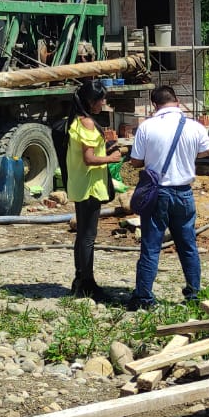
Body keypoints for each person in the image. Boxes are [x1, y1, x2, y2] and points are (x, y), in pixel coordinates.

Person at [125, 85, 209, 310]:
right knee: (188, 246)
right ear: (176, 100)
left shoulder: (147, 127)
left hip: (157, 194)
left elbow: (135, 161)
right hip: (184, 193)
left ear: (155, 105)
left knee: (151, 247)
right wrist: (189, 154)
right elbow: (208, 150)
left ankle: (144, 297)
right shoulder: (194, 127)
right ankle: (193, 294)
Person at [66, 80, 125, 301]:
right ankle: (87, 284)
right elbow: (89, 158)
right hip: (90, 186)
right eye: (102, 99)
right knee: (88, 236)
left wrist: (106, 147)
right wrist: (110, 158)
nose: (104, 103)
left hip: (82, 184)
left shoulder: (75, 120)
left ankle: (79, 280)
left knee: (82, 235)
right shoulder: (88, 123)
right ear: (92, 102)